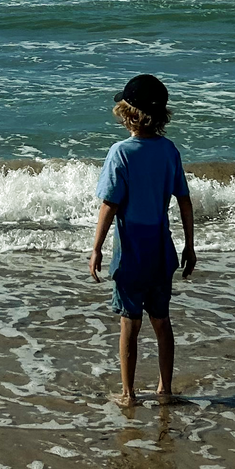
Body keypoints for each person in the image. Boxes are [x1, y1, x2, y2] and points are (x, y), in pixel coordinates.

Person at [89, 74, 196, 406]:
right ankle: (165, 389)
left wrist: (95, 248)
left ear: (127, 113)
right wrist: (189, 246)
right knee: (162, 322)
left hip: (131, 253)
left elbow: (110, 204)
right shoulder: (168, 150)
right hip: (162, 250)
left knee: (129, 324)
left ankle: (129, 394)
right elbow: (184, 200)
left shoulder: (121, 152)